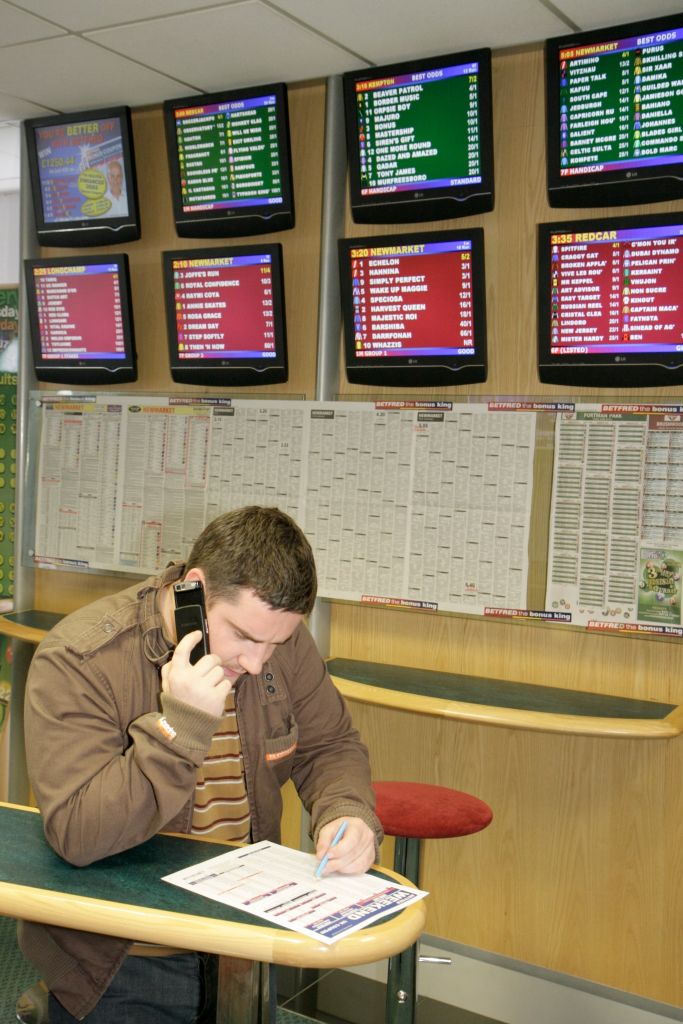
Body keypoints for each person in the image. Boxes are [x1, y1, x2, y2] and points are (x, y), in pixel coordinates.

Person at [19, 506, 382, 1023]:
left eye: (274, 643)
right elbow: (78, 832)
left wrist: (347, 812)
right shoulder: (81, 659)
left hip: (242, 941)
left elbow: (331, 745)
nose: (257, 662)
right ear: (195, 588)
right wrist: (180, 728)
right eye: (245, 637)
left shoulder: (278, 639)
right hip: (124, 960)